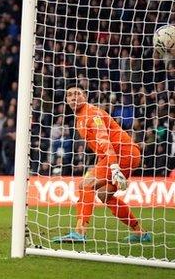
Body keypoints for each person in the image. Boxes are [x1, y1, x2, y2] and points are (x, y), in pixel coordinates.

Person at [53, 84, 151, 243]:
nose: (73, 97)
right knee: (104, 195)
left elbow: (105, 141)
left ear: (84, 96)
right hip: (119, 155)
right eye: (69, 95)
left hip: (122, 154)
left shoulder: (92, 114)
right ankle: (140, 233)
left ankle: (80, 232)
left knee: (86, 185)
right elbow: (101, 148)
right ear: (66, 100)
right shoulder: (79, 119)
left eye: (77, 94)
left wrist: (114, 167)